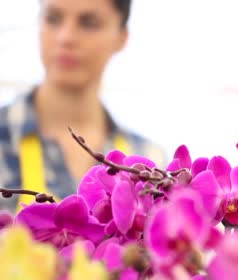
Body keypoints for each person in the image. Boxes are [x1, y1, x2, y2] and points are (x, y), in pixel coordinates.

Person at [0, 0, 166, 212]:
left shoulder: (149, 161)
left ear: (121, 37)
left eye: (89, 23)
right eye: (53, 18)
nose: (66, 37)